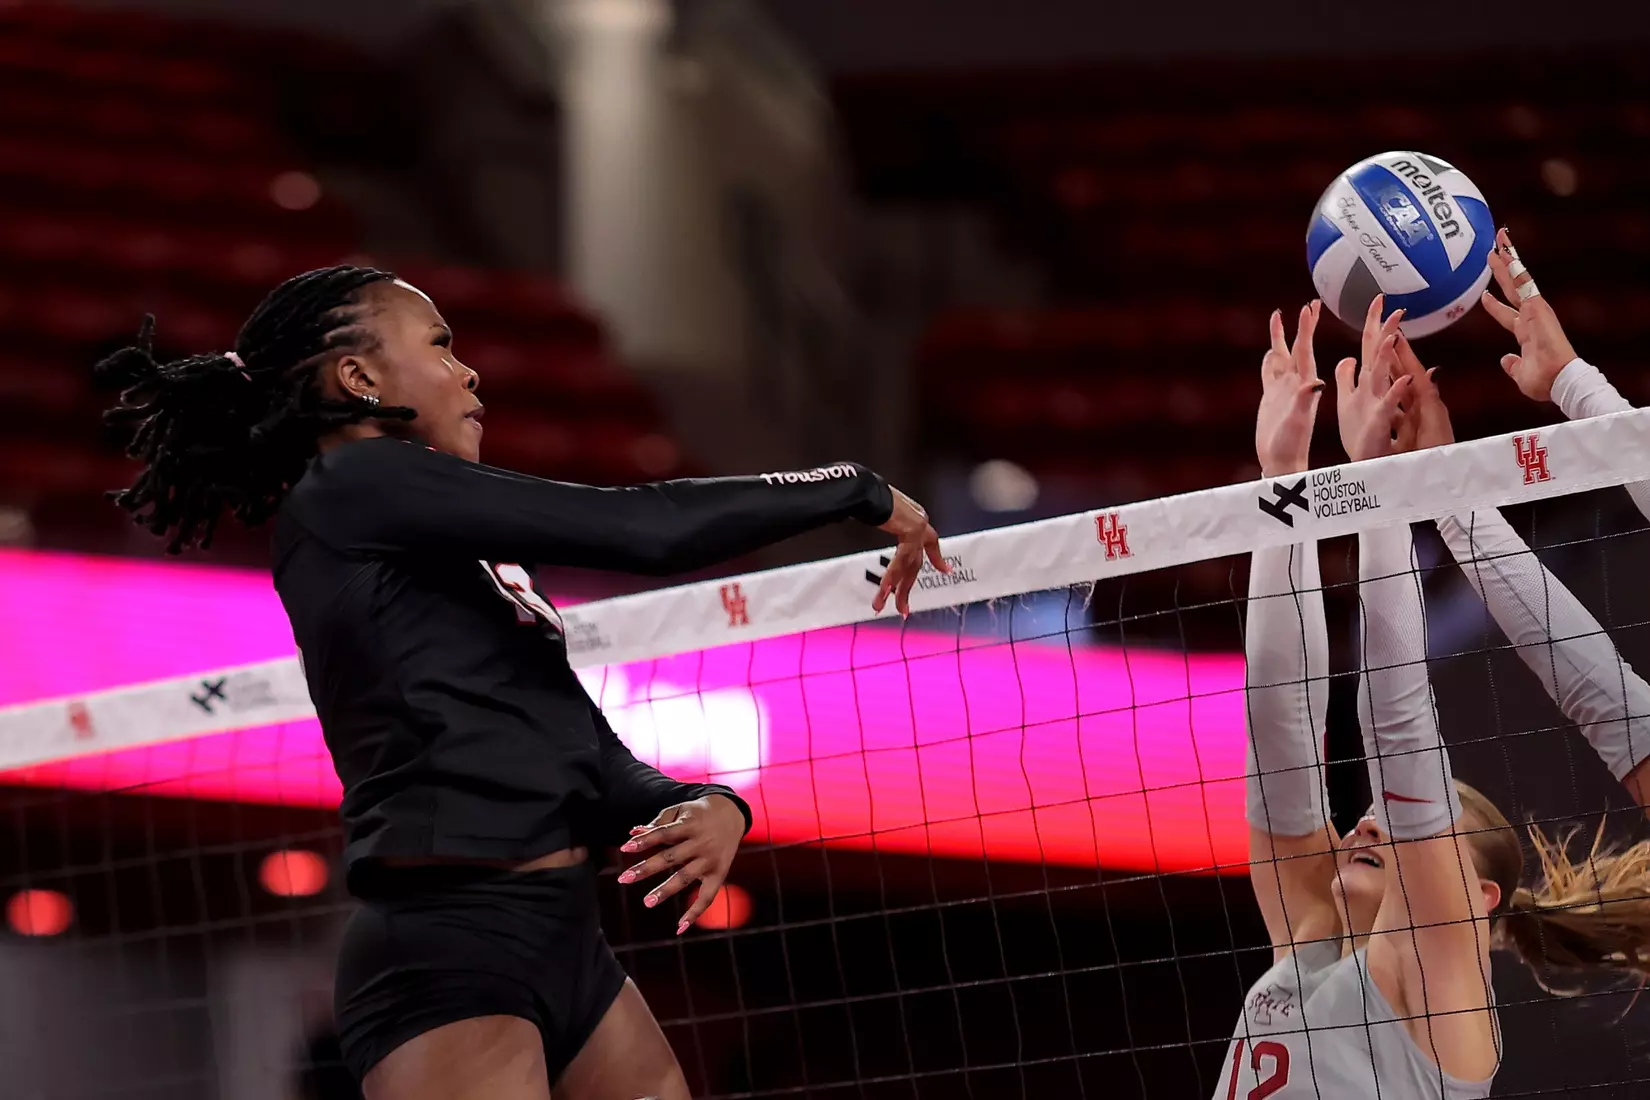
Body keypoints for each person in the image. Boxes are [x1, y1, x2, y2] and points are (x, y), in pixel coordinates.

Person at [95, 266, 948, 1100]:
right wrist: (849, 487)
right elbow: (643, 527)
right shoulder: (354, 483)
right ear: (358, 378)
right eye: (438, 344)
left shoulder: (462, 549)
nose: (468, 371)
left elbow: (581, 747)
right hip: (450, 942)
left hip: (567, 935)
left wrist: (707, 801)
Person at [1227, 291, 1650, 1100]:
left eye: (1411, 821)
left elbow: (1391, 725)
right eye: (1414, 820)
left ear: (1473, 900)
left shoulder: (1438, 982)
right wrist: (1283, 486)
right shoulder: (1310, 941)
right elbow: (1282, 726)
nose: (1369, 817)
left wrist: (1385, 489)